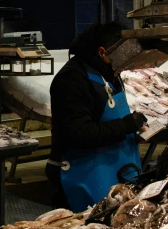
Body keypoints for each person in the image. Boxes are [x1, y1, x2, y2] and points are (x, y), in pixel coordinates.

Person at [46, 22, 147, 212]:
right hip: (82, 176)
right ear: (102, 52)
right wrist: (125, 126)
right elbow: (79, 133)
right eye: (123, 55)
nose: (126, 62)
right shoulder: (71, 79)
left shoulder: (108, 74)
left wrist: (133, 131)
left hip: (115, 173)